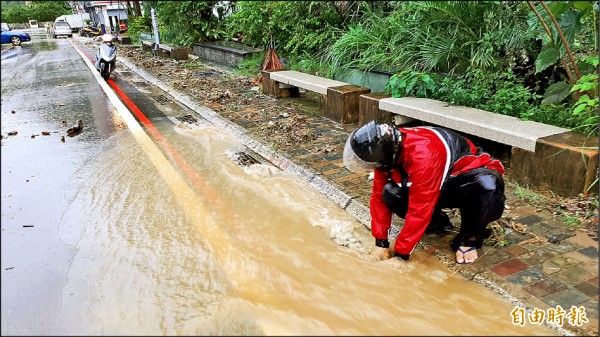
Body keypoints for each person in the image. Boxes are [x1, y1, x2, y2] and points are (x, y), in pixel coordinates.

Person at [343, 121, 506, 264]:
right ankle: (438, 223)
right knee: (390, 193)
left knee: (488, 187)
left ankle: (469, 240)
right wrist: (381, 243)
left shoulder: (425, 155)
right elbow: (378, 197)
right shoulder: (386, 151)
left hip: (465, 179)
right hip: (436, 179)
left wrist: (401, 256)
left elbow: (420, 209)